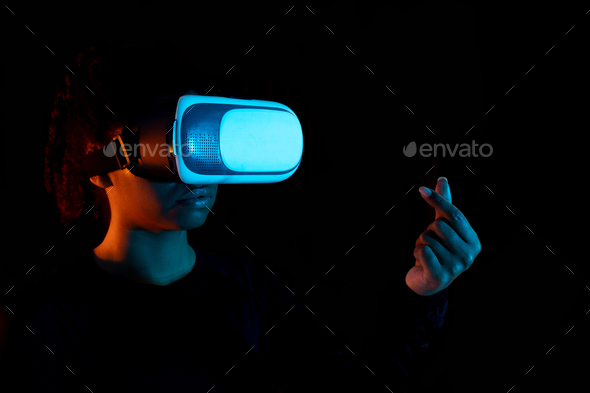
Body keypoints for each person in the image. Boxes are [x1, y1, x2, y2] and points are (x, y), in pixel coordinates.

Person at [2, 38, 481, 393]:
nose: (197, 176)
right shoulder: (44, 320)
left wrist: (424, 293)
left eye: (206, 145)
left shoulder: (256, 288)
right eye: (175, 151)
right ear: (101, 166)